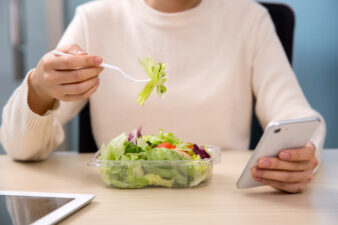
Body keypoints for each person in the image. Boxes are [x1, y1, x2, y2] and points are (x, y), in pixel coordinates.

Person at [0, 0, 325, 193]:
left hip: (218, 200)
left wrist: (298, 157)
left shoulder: (249, 18)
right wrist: (39, 89)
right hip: (118, 204)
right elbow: (21, 149)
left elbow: (297, 117)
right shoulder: (96, 18)